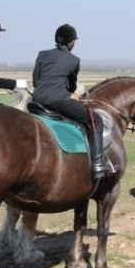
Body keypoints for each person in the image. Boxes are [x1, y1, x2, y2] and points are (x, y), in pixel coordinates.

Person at [32, 24, 113, 181]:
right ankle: (98, 163)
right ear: (71, 42)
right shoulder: (74, 60)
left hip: (37, 101)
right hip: (59, 101)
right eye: (74, 41)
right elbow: (72, 87)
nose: (74, 43)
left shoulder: (42, 54)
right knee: (96, 119)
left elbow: (36, 81)